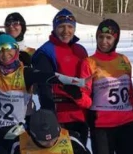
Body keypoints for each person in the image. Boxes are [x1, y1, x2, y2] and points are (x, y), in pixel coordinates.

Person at [0, 26, 91, 146]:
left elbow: (51, 76)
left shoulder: (25, 73)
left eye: (9, 48)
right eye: (0, 49)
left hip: (16, 129)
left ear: (16, 49)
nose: (5, 53)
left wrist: (78, 82)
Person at [86, 19, 133, 154]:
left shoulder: (124, 60)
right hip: (102, 127)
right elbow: (85, 95)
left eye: (108, 37)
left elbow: (130, 93)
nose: (104, 41)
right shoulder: (89, 62)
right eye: (100, 37)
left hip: (127, 125)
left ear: (115, 39)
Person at [32, 9, 92, 145]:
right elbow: (44, 87)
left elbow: (88, 83)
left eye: (70, 27)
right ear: (54, 28)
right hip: (59, 115)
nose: (66, 31)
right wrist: (50, 117)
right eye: (61, 27)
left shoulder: (80, 50)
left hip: (80, 113)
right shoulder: (46, 51)